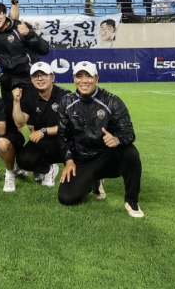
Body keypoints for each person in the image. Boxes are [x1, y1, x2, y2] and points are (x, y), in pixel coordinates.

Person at [57, 61, 143, 217]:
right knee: (67, 198)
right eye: (79, 76)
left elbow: (128, 132)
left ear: (96, 78)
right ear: (74, 79)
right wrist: (68, 160)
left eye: (89, 76)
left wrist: (117, 139)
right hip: (82, 159)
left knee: (130, 153)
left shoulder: (112, 101)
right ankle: (94, 181)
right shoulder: (66, 102)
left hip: (106, 157)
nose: (84, 81)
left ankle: (131, 200)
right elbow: (64, 134)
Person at [11, 62, 71, 187]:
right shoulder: (29, 97)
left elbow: (70, 125)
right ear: (31, 80)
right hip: (42, 141)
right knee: (23, 160)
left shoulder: (65, 95)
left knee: (74, 177)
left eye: (44, 75)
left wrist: (44, 131)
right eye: (36, 76)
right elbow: (19, 122)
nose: (40, 79)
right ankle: (49, 169)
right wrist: (16, 102)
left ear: (52, 78)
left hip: (65, 140)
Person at [0, 1, 50, 112]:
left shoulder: (19, 27)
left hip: (28, 79)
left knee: (33, 115)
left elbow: (44, 50)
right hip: (8, 81)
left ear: (4, 14)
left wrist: (29, 34)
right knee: (10, 117)